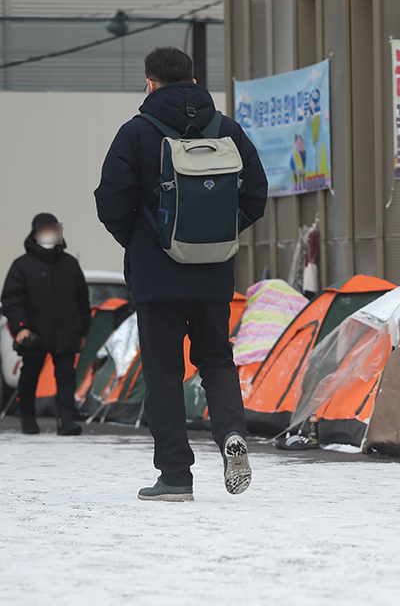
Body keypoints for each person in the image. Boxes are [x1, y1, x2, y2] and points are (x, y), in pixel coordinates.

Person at [94, 47, 268, 502]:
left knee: (165, 374)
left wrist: (142, 240)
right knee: (216, 359)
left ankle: (175, 478)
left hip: (157, 277)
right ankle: (231, 433)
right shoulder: (227, 129)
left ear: (150, 83)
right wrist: (220, 233)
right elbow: (256, 193)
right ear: (193, 81)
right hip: (213, 272)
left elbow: (110, 200)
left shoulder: (136, 132)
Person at [1, 213, 90, 436]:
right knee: (30, 375)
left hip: (66, 333)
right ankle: (27, 418)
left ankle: (66, 420)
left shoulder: (70, 264)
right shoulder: (21, 266)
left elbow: (82, 300)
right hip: (34, 334)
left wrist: (82, 330)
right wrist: (21, 328)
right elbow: (12, 301)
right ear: (34, 234)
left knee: (66, 376)